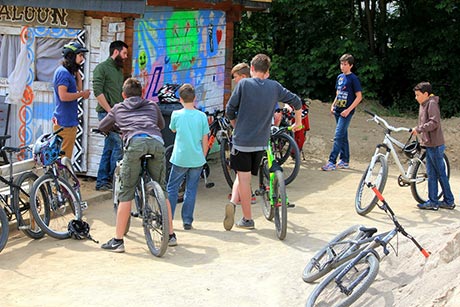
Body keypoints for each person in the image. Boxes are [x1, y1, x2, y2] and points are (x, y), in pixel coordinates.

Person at [223, 53, 303, 231]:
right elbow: (297, 101)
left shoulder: (243, 84)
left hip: (242, 141)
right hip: (261, 142)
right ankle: (234, 202)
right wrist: (298, 123)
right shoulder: (274, 87)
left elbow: (230, 110)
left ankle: (247, 219)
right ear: (267, 71)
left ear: (251, 69)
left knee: (243, 179)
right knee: (246, 176)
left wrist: (235, 124)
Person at [99, 78, 176, 252]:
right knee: (162, 191)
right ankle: (170, 235)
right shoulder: (152, 105)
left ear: (123, 94)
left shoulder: (118, 108)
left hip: (135, 144)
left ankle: (118, 241)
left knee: (126, 193)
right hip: (156, 143)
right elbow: (161, 124)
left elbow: (103, 126)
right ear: (142, 93)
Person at [167, 84, 209, 230]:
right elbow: (205, 139)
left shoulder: (176, 115)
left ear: (180, 99)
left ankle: (169, 219)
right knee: (191, 190)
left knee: (172, 188)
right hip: (197, 158)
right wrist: (203, 155)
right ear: (195, 98)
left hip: (180, 157)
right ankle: (187, 220)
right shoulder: (202, 116)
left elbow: (172, 129)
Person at [411, 82, 455, 210]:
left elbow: (434, 123)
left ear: (425, 94)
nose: (416, 97)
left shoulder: (431, 104)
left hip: (435, 145)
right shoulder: (424, 104)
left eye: (418, 95)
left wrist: (419, 129)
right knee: (432, 174)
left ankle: (448, 200)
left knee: (440, 173)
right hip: (429, 145)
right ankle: (434, 201)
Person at [93, 40, 129, 191]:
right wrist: (109, 111)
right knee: (118, 144)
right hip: (106, 114)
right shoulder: (101, 68)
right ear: (116, 52)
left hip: (116, 114)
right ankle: (114, 181)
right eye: (124, 53)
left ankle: (102, 181)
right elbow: (97, 92)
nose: (126, 57)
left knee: (109, 146)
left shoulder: (118, 70)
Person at [322, 53, 362, 171]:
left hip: (346, 112)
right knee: (343, 135)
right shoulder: (340, 77)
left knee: (338, 135)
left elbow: (359, 97)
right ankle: (345, 160)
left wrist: (348, 110)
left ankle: (332, 161)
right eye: (341, 64)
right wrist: (333, 105)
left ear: (351, 65)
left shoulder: (353, 79)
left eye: (345, 64)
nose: (342, 66)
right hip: (338, 110)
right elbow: (338, 93)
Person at [52, 42, 91, 159]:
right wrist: (81, 94)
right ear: (71, 56)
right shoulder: (63, 73)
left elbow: (78, 89)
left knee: (65, 155)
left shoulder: (69, 72)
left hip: (69, 120)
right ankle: (59, 177)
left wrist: (77, 71)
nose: (82, 59)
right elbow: (63, 96)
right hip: (65, 122)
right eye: (80, 56)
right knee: (63, 157)